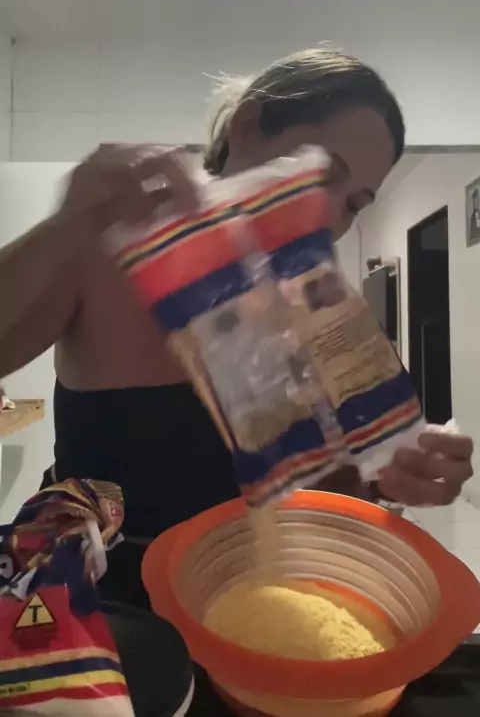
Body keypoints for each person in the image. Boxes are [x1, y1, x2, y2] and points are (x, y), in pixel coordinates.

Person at [0, 49, 473, 608]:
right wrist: (65, 229)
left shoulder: (324, 314)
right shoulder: (107, 253)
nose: (328, 217)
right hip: (102, 617)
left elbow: (333, 487)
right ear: (247, 126)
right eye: (320, 175)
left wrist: (396, 473)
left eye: (353, 204)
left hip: (251, 609)